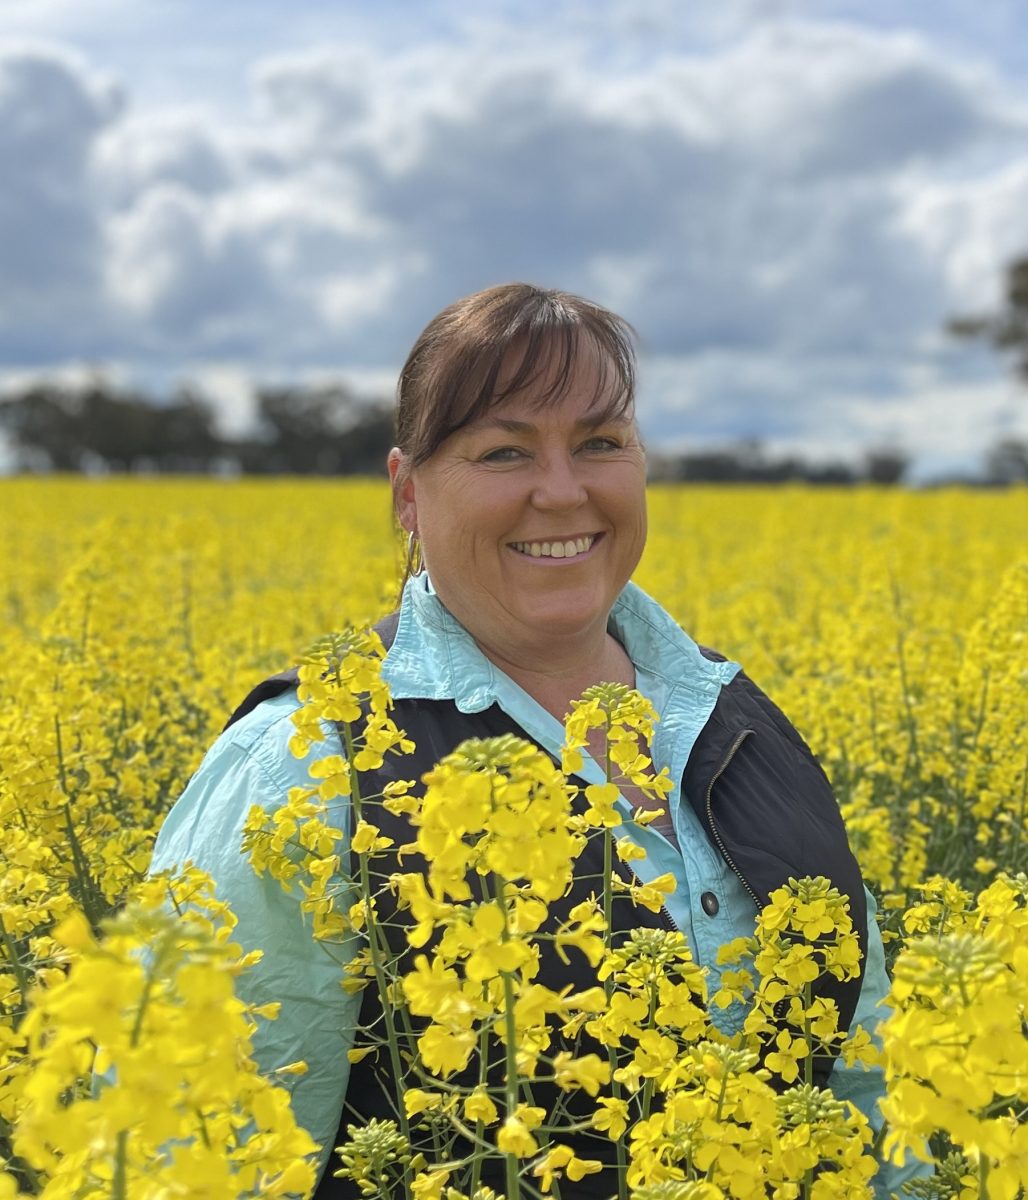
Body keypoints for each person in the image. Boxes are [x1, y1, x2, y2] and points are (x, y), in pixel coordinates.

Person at [150, 283, 928, 1198]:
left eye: (601, 443)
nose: (562, 492)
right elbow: (201, 1153)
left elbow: (875, 1079)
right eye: (504, 451)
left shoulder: (733, 713)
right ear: (408, 494)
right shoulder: (302, 762)